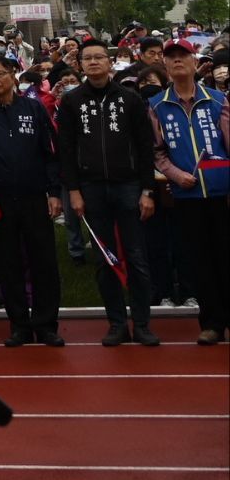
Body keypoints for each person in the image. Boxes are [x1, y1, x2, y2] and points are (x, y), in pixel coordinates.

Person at [58, 41, 160, 346]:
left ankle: (141, 322)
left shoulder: (130, 99)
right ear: (80, 65)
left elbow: (145, 149)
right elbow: (65, 150)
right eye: (87, 58)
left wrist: (147, 191)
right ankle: (116, 322)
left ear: (109, 61)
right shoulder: (72, 101)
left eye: (99, 57)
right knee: (104, 260)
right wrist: (73, 191)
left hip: (128, 185)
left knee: (136, 257)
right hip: (90, 188)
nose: (93, 62)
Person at [0, 57, 65, 347]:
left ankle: (46, 325)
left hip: (35, 199)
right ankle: (19, 325)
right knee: (7, 265)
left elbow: (50, 153)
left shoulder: (34, 108)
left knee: (43, 262)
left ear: (13, 75)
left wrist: (54, 192)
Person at [148, 36, 228, 345]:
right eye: (172, 57)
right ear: (165, 65)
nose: (178, 60)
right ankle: (211, 323)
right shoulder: (157, 106)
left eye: (184, 55)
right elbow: (156, 152)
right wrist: (175, 174)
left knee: (226, 256)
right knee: (199, 260)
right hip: (186, 196)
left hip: (222, 194)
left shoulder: (217, 100)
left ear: (196, 62)